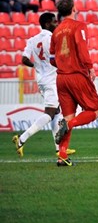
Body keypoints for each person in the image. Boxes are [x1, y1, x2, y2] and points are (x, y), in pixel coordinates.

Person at [12, 13, 74, 158]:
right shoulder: (53, 38)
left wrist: (38, 66)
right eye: (54, 22)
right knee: (50, 113)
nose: (56, 24)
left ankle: (59, 149)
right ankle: (22, 139)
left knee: (56, 113)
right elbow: (59, 59)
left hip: (41, 79)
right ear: (47, 24)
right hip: (52, 80)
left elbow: (24, 59)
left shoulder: (32, 40)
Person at [51, 0, 98, 167]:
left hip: (61, 78)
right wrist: (90, 67)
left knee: (68, 116)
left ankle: (62, 155)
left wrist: (62, 62)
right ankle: (68, 125)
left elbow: (52, 58)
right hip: (76, 75)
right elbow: (82, 47)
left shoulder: (56, 31)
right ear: (73, 8)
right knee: (94, 110)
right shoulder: (79, 26)